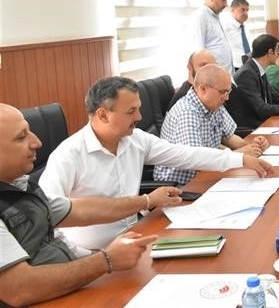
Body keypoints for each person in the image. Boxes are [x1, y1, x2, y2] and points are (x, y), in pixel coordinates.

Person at [38, 77, 273, 251]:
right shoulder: (68, 155)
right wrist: (85, 259)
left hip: (138, 237)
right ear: (102, 115)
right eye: (131, 111)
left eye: (139, 109)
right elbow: (45, 219)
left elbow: (186, 154)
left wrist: (241, 159)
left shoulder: (136, 139)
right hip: (93, 253)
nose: (139, 117)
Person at [0, 104, 167, 307]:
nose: (37, 142)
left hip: (68, 291)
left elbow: (82, 211)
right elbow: (19, 289)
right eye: (21, 137)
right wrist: (107, 260)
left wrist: (147, 201)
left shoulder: (19, 185)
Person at [155, 64, 269, 186]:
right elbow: (196, 161)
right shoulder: (187, 112)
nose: (227, 98)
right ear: (203, 89)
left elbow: (228, 137)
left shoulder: (214, 104)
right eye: (223, 92)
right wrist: (238, 155)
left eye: (228, 91)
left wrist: (253, 147)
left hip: (209, 173)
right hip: (182, 185)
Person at [185, 0, 235, 74]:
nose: (226, 5)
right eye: (223, 0)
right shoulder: (200, 16)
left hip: (225, 74)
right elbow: (198, 53)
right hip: (214, 77)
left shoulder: (215, 17)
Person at [220, 0, 253, 71]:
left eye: (247, 10)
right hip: (234, 67)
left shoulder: (246, 27)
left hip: (248, 65)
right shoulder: (224, 27)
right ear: (232, 10)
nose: (245, 13)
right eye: (242, 10)